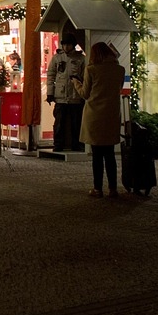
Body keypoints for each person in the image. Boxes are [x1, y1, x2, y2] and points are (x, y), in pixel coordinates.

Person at [74, 42, 127, 197]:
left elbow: (85, 93)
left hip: (95, 115)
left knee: (97, 155)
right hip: (111, 115)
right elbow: (117, 89)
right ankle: (113, 188)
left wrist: (76, 83)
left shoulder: (91, 70)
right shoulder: (119, 70)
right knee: (110, 154)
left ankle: (97, 188)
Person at [47, 32, 87, 152]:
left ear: (73, 45)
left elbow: (85, 77)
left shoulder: (81, 59)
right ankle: (58, 144)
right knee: (59, 123)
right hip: (60, 96)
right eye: (64, 45)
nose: (66, 47)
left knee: (76, 123)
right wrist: (50, 93)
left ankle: (77, 144)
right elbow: (51, 75)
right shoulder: (57, 58)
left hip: (76, 96)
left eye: (68, 45)